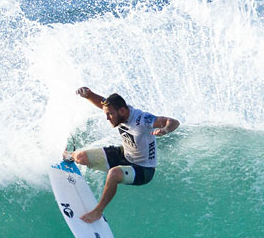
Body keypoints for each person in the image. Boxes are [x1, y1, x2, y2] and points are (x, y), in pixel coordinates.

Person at [64, 87, 180, 223]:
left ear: (123, 111)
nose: (107, 118)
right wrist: (89, 95)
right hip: (125, 154)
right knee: (80, 157)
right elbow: (102, 102)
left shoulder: (142, 119)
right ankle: (68, 156)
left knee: (114, 174)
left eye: (110, 114)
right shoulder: (117, 110)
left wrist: (164, 130)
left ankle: (97, 212)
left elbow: (173, 122)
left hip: (143, 169)